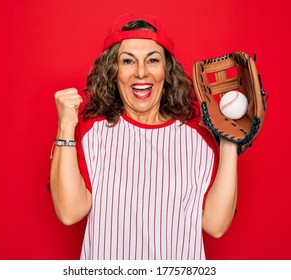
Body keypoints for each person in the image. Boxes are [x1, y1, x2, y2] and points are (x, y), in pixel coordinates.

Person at [49, 14, 238, 260]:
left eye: (153, 60)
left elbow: (215, 224)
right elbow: (69, 212)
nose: (141, 72)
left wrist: (228, 143)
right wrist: (65, 126)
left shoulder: (197, 137)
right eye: (128, 61)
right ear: (113, 71)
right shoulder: (89, 132)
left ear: (166, 70)